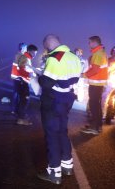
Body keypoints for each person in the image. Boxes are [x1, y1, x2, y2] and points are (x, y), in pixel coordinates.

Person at [37, 34, 82, 185]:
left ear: (48, 44)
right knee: (62, 131)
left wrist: (39, 76)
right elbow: (75, 78)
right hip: (67, 99)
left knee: (52, 135)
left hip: (53, 100)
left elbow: (46, 83)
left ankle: (54, 172)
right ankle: (67, 165)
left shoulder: (55, 58)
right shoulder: (74, 57)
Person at [80, 36, 108, 135]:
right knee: (96, 105)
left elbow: (95, 70)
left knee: (94, 105)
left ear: (94, 42)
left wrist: (83, 75)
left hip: (96, 83)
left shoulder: (98, 53)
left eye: (89, 42)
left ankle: (95, 127)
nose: (89, 44)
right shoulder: (100, 52)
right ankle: (97, 125)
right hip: (98, 84)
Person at [15, 44, 38, 125]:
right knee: (25, 100)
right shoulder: (25, 57)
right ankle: (21, 119)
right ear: (30, 51)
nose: (35, 55)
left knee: (23, 100)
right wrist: (32, 73)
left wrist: (32, 72)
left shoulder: (26, 57)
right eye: (35, 53)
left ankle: (21, 115)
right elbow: (22, 69)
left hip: (23, 81)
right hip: (23, 82)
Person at [10, 43, 27, 116]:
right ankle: (18, 111)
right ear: (22, 48)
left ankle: (14, 110)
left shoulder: (17, 55)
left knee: (16, 94)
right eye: (25, 48)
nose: (26, 49)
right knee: (20, 95)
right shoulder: (21, 56)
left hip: (15, 78)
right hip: (18, 78)